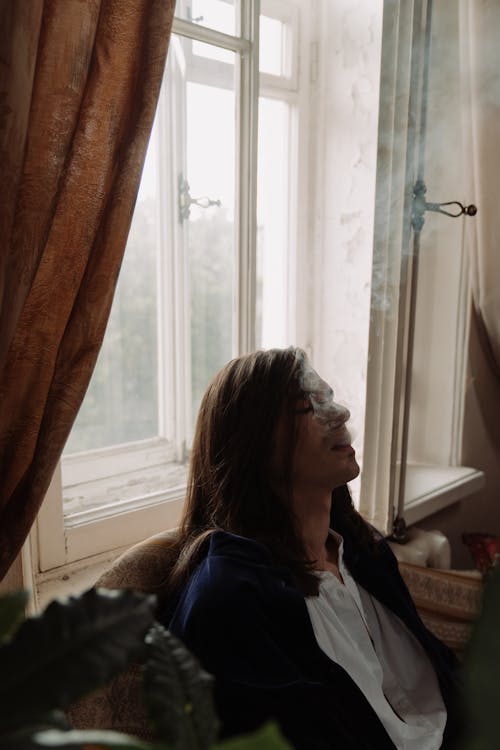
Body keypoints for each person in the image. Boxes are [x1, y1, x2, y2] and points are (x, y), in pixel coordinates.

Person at [157, 347, 462, 749]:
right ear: (257, 443)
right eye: (311, 405)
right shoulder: (229, 601)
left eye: (330, 398)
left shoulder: (362, 550)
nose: (341, 414)